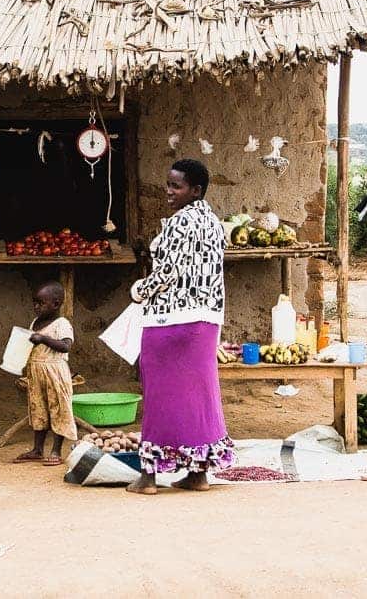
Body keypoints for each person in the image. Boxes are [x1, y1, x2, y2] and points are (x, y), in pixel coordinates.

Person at [126, 158, 234, 495]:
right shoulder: (213, 223)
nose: (169, 191)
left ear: (196, 190)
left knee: (159, 395)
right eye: (168, 184)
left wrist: (137, 291)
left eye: (177, 186)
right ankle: (198, 473)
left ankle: (148, 476)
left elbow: (166, 274)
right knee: (199, 396)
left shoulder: (178, 224)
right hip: (205, 323)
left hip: (169, 322)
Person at [13, 281, 76, 466]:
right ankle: (37, 449)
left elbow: (65, 346)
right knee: (38, 409)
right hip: (37, 370)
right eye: (35, 302)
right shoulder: (35, 322)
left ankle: (56, 450)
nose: (36, 307)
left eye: (41, 303)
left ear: (55, 304)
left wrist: (44, 339)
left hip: (54, 371)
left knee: (58, 409)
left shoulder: (62, 323)